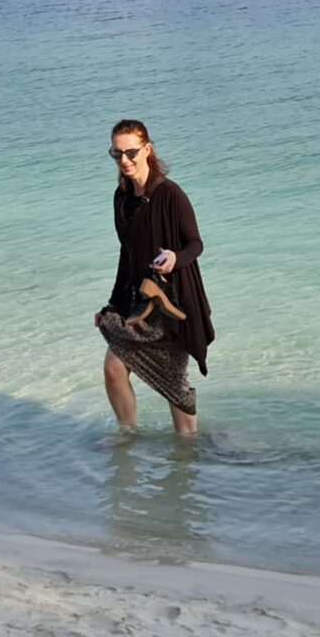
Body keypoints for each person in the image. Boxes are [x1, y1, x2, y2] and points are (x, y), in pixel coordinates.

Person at [93, 119, 213, 434]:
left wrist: (174, 258)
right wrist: (111, 306)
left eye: (131, 152)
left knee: (174, 386)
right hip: (138, 301)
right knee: (113, 369)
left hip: (172, 303)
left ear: (147, 149)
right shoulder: (122, 198)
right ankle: (128, 438)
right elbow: (127, 256)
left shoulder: (171, 194)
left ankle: (189, 450)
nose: (124, 160)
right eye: (117, 153)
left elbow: (195, 244)